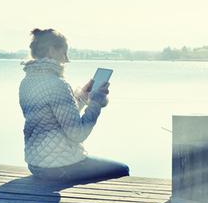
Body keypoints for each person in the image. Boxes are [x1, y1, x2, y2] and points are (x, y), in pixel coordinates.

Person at [19, 28, 129, 183]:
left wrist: (83, 98)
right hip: (60, 168)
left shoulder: (26, 82)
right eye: (64, 53)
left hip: (35, 165)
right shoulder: (57, 84)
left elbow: (53, 119)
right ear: (52, 51)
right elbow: (78, 134)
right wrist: (95, 103)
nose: (66, 59)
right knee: (122, 170)